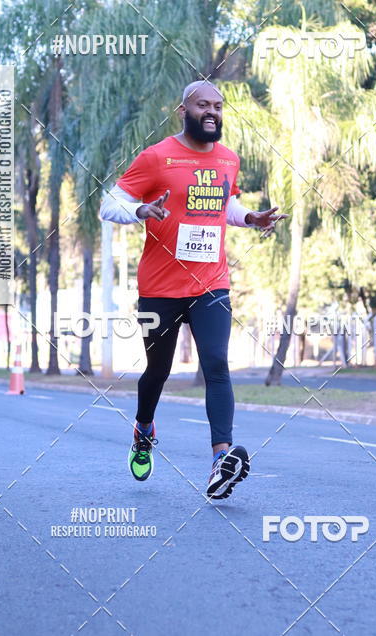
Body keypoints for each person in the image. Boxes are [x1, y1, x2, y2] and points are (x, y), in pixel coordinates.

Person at [99, 81, 287, 499]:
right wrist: (139, 210)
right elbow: (108, 202)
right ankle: (143, 427)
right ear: (182, 110)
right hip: (160, 288)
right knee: (158, 372)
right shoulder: (156, 157)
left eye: (218, 106)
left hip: (211, 283)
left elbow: (227, 205)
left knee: (217, 363)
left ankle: (221, 459)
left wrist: (251, 218)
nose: (212, 112)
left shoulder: (228, 159)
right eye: (203, 104)